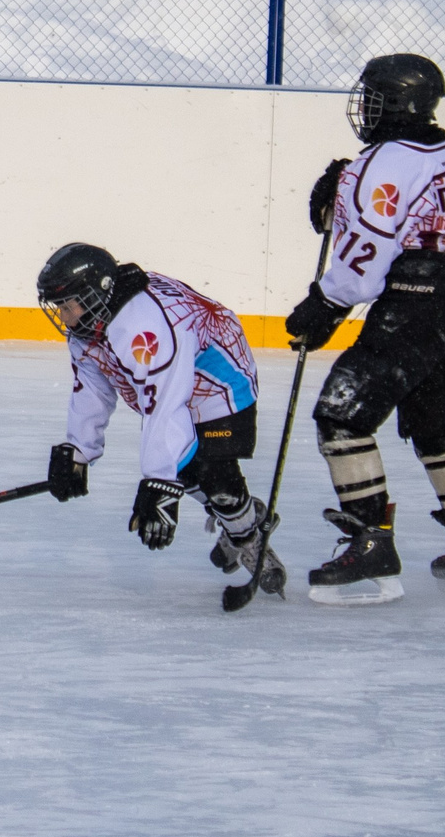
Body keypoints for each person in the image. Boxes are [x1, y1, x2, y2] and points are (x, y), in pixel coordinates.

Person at [283, 52, 445, 603]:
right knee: (436, 425)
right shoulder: (441, 146)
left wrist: (322, 307)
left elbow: (364, 260)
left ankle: (370, 541)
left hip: (415, 306)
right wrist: (347, 192)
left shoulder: (380, 166)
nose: (365, 107)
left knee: (342, 416)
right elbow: (405, 211)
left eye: (374, 98)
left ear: (398, 103)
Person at [35, 243, 284, 602]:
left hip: (220, 379)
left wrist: (159, 481)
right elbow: (92, 388)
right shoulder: (89, 323)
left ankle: (247, 536)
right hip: (176, 378)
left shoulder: (142, 326)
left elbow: (166, 404)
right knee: (183, 466)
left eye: (68, 304)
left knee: (212, 472)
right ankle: (241, 513)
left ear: (97, 292)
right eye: (59, 306)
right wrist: (79, 450)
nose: (63, 315)